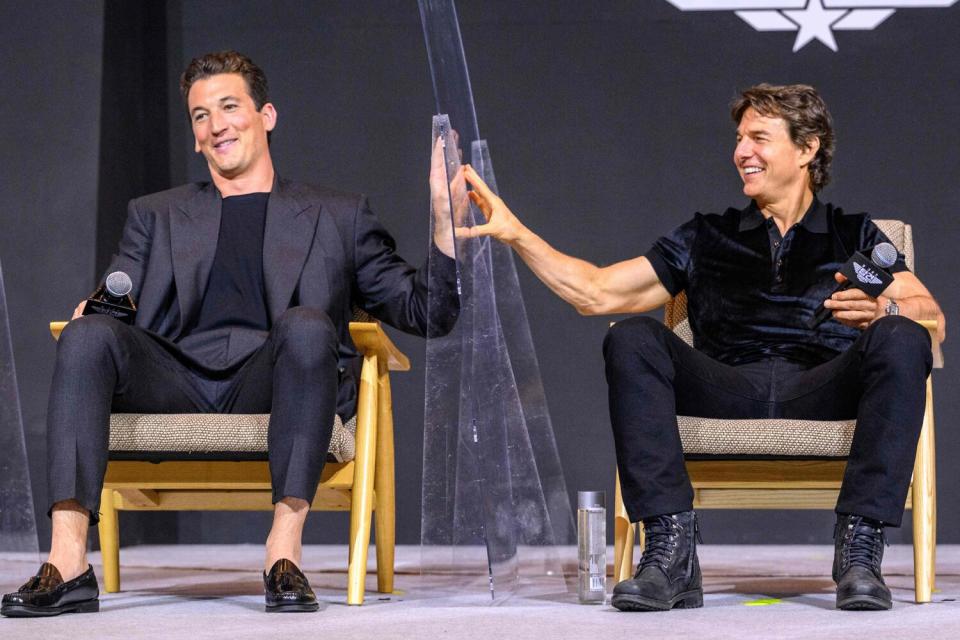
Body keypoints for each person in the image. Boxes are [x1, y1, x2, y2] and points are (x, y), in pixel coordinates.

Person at [1, 50, 459, 617]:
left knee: (309, 325)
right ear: (194, 136)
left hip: (275, 379)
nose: (215, 125)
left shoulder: (338, 215)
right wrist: (95, 315)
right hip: (177, 379)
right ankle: (68, 564)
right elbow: (117, 302)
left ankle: (282, 554)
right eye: (199, 115)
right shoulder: (156, 214)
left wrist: (443, 221)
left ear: (266, 115)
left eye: (228, 107)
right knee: (86, 337)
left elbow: (428, 312)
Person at [460, 83, 944, 612]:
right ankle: (670, 553)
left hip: (823, 386)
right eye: (739, 138)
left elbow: (931, 318)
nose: (742, 152)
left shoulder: (855, 234)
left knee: (902, 337)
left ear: (807, 150)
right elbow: (594, 292)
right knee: (633, 336)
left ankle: (858, 552)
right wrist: (516, 234)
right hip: (726, 385)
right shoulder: (706, 235)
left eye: (760, 137)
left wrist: (887, 311)